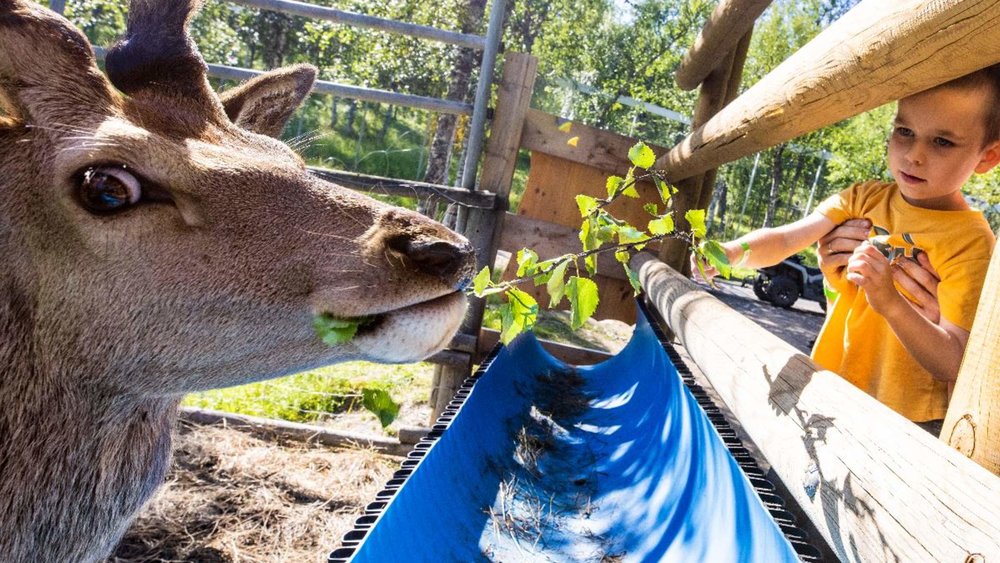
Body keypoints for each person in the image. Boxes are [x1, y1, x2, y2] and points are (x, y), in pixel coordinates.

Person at [699, 65, 1000, 427]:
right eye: (905, 131)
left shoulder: (972, 243)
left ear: (987, 157)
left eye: (942, 141)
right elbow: (787, 238)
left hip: (905, 421)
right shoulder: (866, 197)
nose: (914, 155)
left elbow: (953, 358)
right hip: (832, 384)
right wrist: (730, 252)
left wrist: (889, 301)